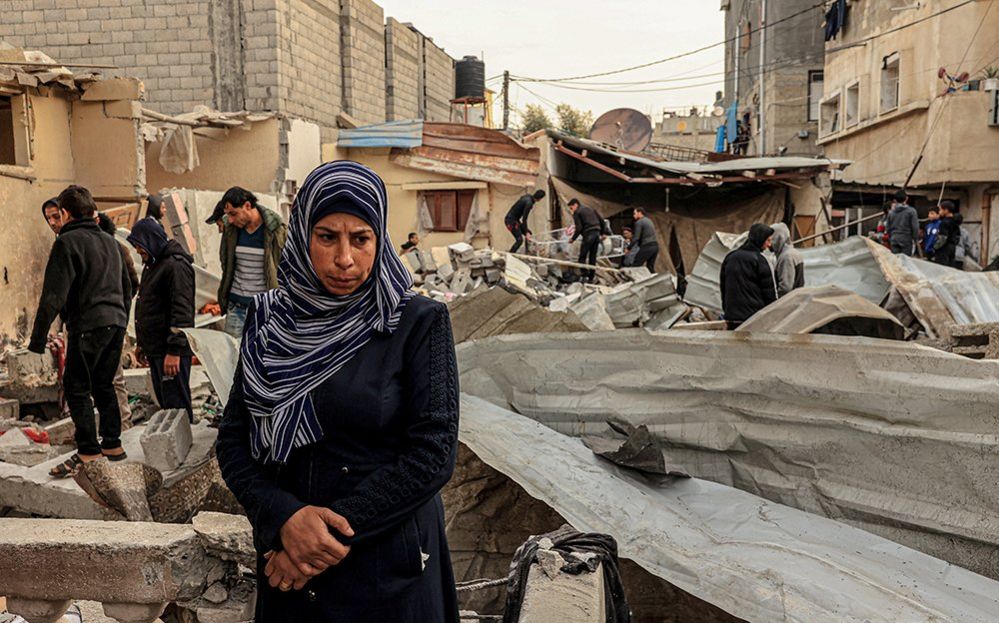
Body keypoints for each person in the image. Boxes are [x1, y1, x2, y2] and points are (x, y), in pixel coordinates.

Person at [216, 161, 460, 621]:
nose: (344, 258)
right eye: (327, 237)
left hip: (387, 571)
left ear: (380, 239)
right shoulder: (270, 320)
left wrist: (323, 540)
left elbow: (434, 453)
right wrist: (284, 517)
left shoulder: (417, 322)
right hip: (288, 567)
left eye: (361, 239)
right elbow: (233, 440)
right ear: (304, 235)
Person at [28, 186, 131, 477]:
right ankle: (112, 445)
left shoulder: (67, 242)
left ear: (65, 213)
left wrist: (37, 341)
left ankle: (88, 452)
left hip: (87, 326)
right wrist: (121, 320)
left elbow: (52, 296)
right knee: (104, 385)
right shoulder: (110, 242)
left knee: (77, 388)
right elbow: (127, 287)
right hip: (115, 324)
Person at [127, 218, 196, 422]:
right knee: (167, 403)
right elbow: (149, 306)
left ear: (151, 240)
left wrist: (174, 351)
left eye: (140, 246)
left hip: (170, 351)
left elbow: (182, 312)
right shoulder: (154, 264)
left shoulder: (176, 266)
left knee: (177, 406)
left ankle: (182, 449)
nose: (139, 251)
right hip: (157, 349)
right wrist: (142, 345)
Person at [213, 187, 287, 338]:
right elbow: (225, 262)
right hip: (236, 309)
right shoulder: (231, 230)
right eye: (228, 215)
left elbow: (286, 268)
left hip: (265, 309)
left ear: (247, 206)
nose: (231, 219)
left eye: (233, 213)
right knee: (232, 357)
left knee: (262, 357)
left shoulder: (275, 230)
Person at [97, 212, 139, 427]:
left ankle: (122, 424)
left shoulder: (117, 251)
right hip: (100, 322)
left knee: (113, 377)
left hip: (110, 323)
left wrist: (118, 311)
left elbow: (131, 284)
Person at [719, 223, 778, 329]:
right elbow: (769, 294)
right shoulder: (760, 261)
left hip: (732, 318)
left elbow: (724, 288)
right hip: (754, 320)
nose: (769, 245)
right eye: (768, 240)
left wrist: (727, 310)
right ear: (760, 239)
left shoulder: (730, 257)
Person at [568, 198, 604, 283]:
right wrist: (603, 233)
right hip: (597, 233)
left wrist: (573, 238)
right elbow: (602, 221)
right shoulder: (591, 209)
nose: (571, 210)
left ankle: (585, 275)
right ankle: (591, 277)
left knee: (582, 257)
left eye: (571, 208)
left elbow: (579, 227)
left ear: (575, 205)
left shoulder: (577, 212)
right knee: (593, 257)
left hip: (588, 234)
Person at [769, 222, 805, 297]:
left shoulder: (786, 257)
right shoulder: (793, 252)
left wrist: (774, 299)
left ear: (778, 238)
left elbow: (785, 288)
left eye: (771, 240)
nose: (769, 244)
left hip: (789, 302)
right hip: (797, 298)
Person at [886, 190, 919, 256]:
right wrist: (915, 239)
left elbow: (888, 228)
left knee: (895, 261)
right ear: (906, 198)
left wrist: (891, 237)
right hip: (906, 239)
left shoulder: (891, 213)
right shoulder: (911, 211)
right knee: (905, 262)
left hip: (894, 239)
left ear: (895, 200)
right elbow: (915, 227)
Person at [625, 207, 659, 271]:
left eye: (634, 213)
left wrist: (628, 248)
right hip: (655, 247)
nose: (633, 215)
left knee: (636, 265)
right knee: (650, 267)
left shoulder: (639, 222)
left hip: (647, 246)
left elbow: (636, 237)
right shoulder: (649, 220)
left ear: (640, 213)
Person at [933, 201, 961, 268]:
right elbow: (958, 236)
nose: (939, 212)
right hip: (952, 248)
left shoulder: (944, 223)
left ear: (946, 210)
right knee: (950, 268)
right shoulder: (955, 222)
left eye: (940, 209)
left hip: (944, 249)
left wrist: (935, 247)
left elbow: (943, 238)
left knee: (941, 269)